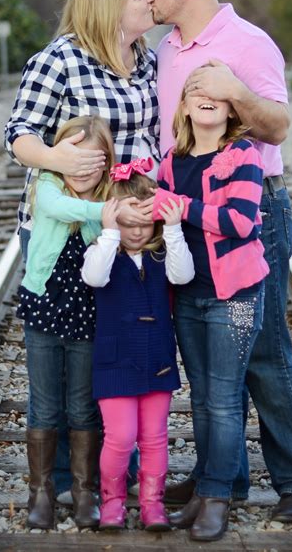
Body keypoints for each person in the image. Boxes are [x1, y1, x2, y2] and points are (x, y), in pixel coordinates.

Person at [148, 0, 292, 523]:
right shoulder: (166, 49)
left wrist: (235, 92)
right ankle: (221, 480)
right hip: (188, 221)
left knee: (265, 351)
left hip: (251, 215)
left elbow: (278, 126)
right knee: (206, 363)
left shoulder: (249, 43)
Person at [4, 0, 157, 505]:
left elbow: (152, 138)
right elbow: (19, 134)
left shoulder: (148, 60)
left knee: (115, 348)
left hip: (132, 228)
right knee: (65, 355)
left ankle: (114, 474)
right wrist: (56, 156)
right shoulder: (58, 60)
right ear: (110, 9)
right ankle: (64, 483)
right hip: (67, 227)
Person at [150, 84, 268, 541]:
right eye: (195, 90)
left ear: (229, 107)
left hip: (236, 296)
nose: (206, 97)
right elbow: (161, 220)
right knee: (201, 397)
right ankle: (204, 490)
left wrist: (182, 208)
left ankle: (218, 497)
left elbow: (240, 221)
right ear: (182, 105)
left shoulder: (243, 156)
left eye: (216, 92)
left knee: (223, 398)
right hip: (189, 297)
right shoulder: (169, 161)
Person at [81, 157, 194, 532]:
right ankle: (112, 501)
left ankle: (152, 504)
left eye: (146, 222)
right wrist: (109, 231)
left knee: (154, 437)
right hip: (114, 363)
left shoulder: (163, 251)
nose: (137, 231)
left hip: (157, 361)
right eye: (129, 223)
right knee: (120, 437)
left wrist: (174, 228)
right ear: (115, 220)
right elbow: (94, 279)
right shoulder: (102, 251)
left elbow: (184, 275)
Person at [16, 115, 115, 530]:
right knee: (44, 403)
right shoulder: (48, 186)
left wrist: (106, 212)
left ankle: (83, 491)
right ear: (60, 159)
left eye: (94, 165)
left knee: (81, 405)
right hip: (43, 308)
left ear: (107, 166)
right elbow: (56, 209)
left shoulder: (106, 197)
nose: (83, 172)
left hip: (88, 316)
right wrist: (104, 210)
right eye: (76, 162)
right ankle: (40, 493)